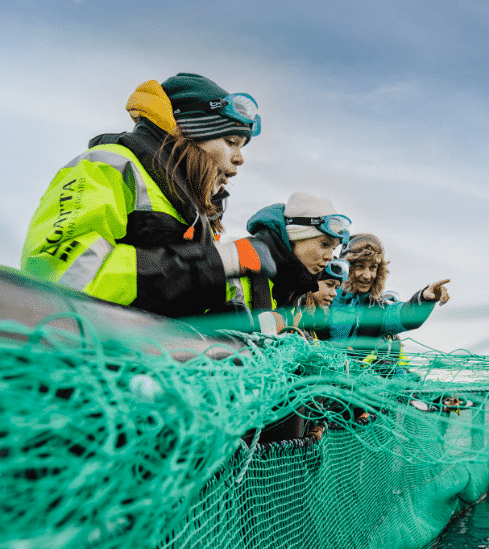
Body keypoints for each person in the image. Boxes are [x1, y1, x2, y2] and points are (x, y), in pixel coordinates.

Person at [21, 73, 274, 318]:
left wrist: (225, 312)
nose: (239, 159)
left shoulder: (198, 214)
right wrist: (213, 263)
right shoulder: (106, 166)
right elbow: (67, 276)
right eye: (231, 141)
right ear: (189, 133)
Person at [232, 193, 350, 333]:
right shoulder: (237, 261)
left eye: (333, 248)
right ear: (295, 237)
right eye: (324, 244)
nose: (330, 257)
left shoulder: (295, 288)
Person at [329, 233, 450, 356]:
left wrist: (424, 298)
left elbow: (406, 316)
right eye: (360, 266)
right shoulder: (323, 296)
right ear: (345, 267)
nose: (367, 275)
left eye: (372, 267)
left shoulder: (378, 309)